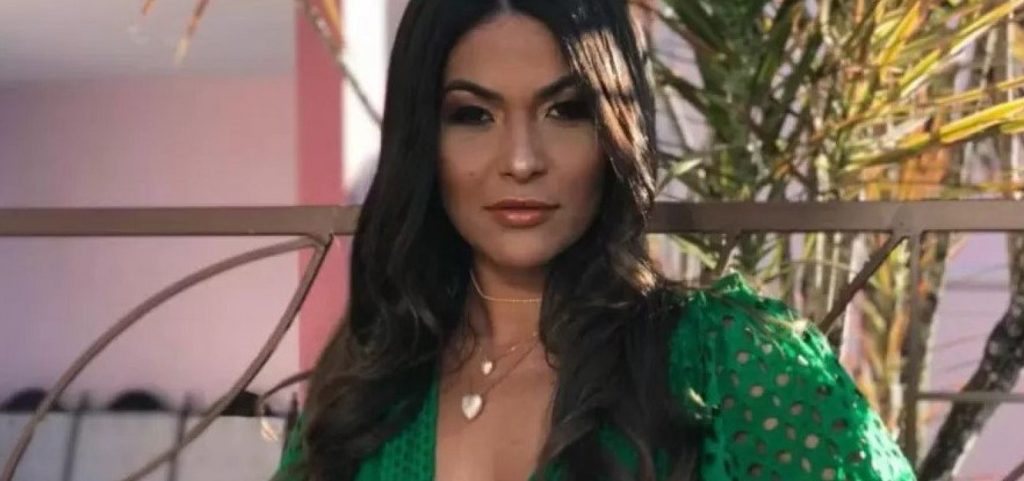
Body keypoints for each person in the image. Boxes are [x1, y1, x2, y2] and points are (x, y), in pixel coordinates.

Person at [275, 0, 916, 480]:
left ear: (615, 133)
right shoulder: (364, 388)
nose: (521, 160)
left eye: (566, 110)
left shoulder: (731, 363)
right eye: (473, 115)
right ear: (423, 143)